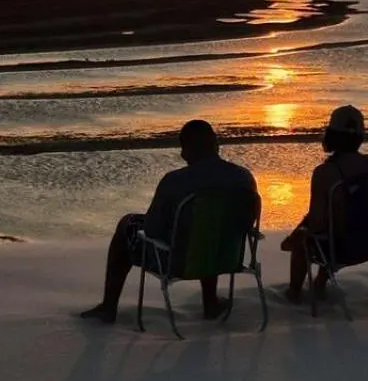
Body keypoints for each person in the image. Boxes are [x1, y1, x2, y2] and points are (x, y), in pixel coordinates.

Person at [79, 119, 257, 324]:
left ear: (186, 149)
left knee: (127, 224)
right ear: (216, 145)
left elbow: (153, 230)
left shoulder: (175, 181)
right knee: (209, 229)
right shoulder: (244, 178)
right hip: (227, 258)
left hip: (179, 263)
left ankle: (108, 307)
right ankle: (211, 303)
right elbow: (246, 224)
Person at [281, 105, 368, 303]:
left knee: (306, 237)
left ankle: (294, 292)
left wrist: (296, 234)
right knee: (339, 226)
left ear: (331, 134)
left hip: (343, 248)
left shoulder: (326, 172)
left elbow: (317, 221)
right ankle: (320, 283)